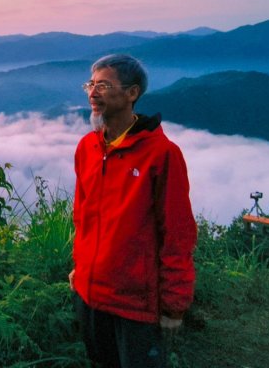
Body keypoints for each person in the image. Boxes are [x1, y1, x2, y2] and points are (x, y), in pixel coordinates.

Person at [70, 54, 197, 368]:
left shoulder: (162, 154)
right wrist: (80, 267)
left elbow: (177, 232)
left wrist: (174, 304)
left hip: (135, 304)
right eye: (90, 84)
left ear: (132, 93)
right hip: (90, 293)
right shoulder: (87, 148)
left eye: (103, 85)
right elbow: (82, 217)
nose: (93, 93)